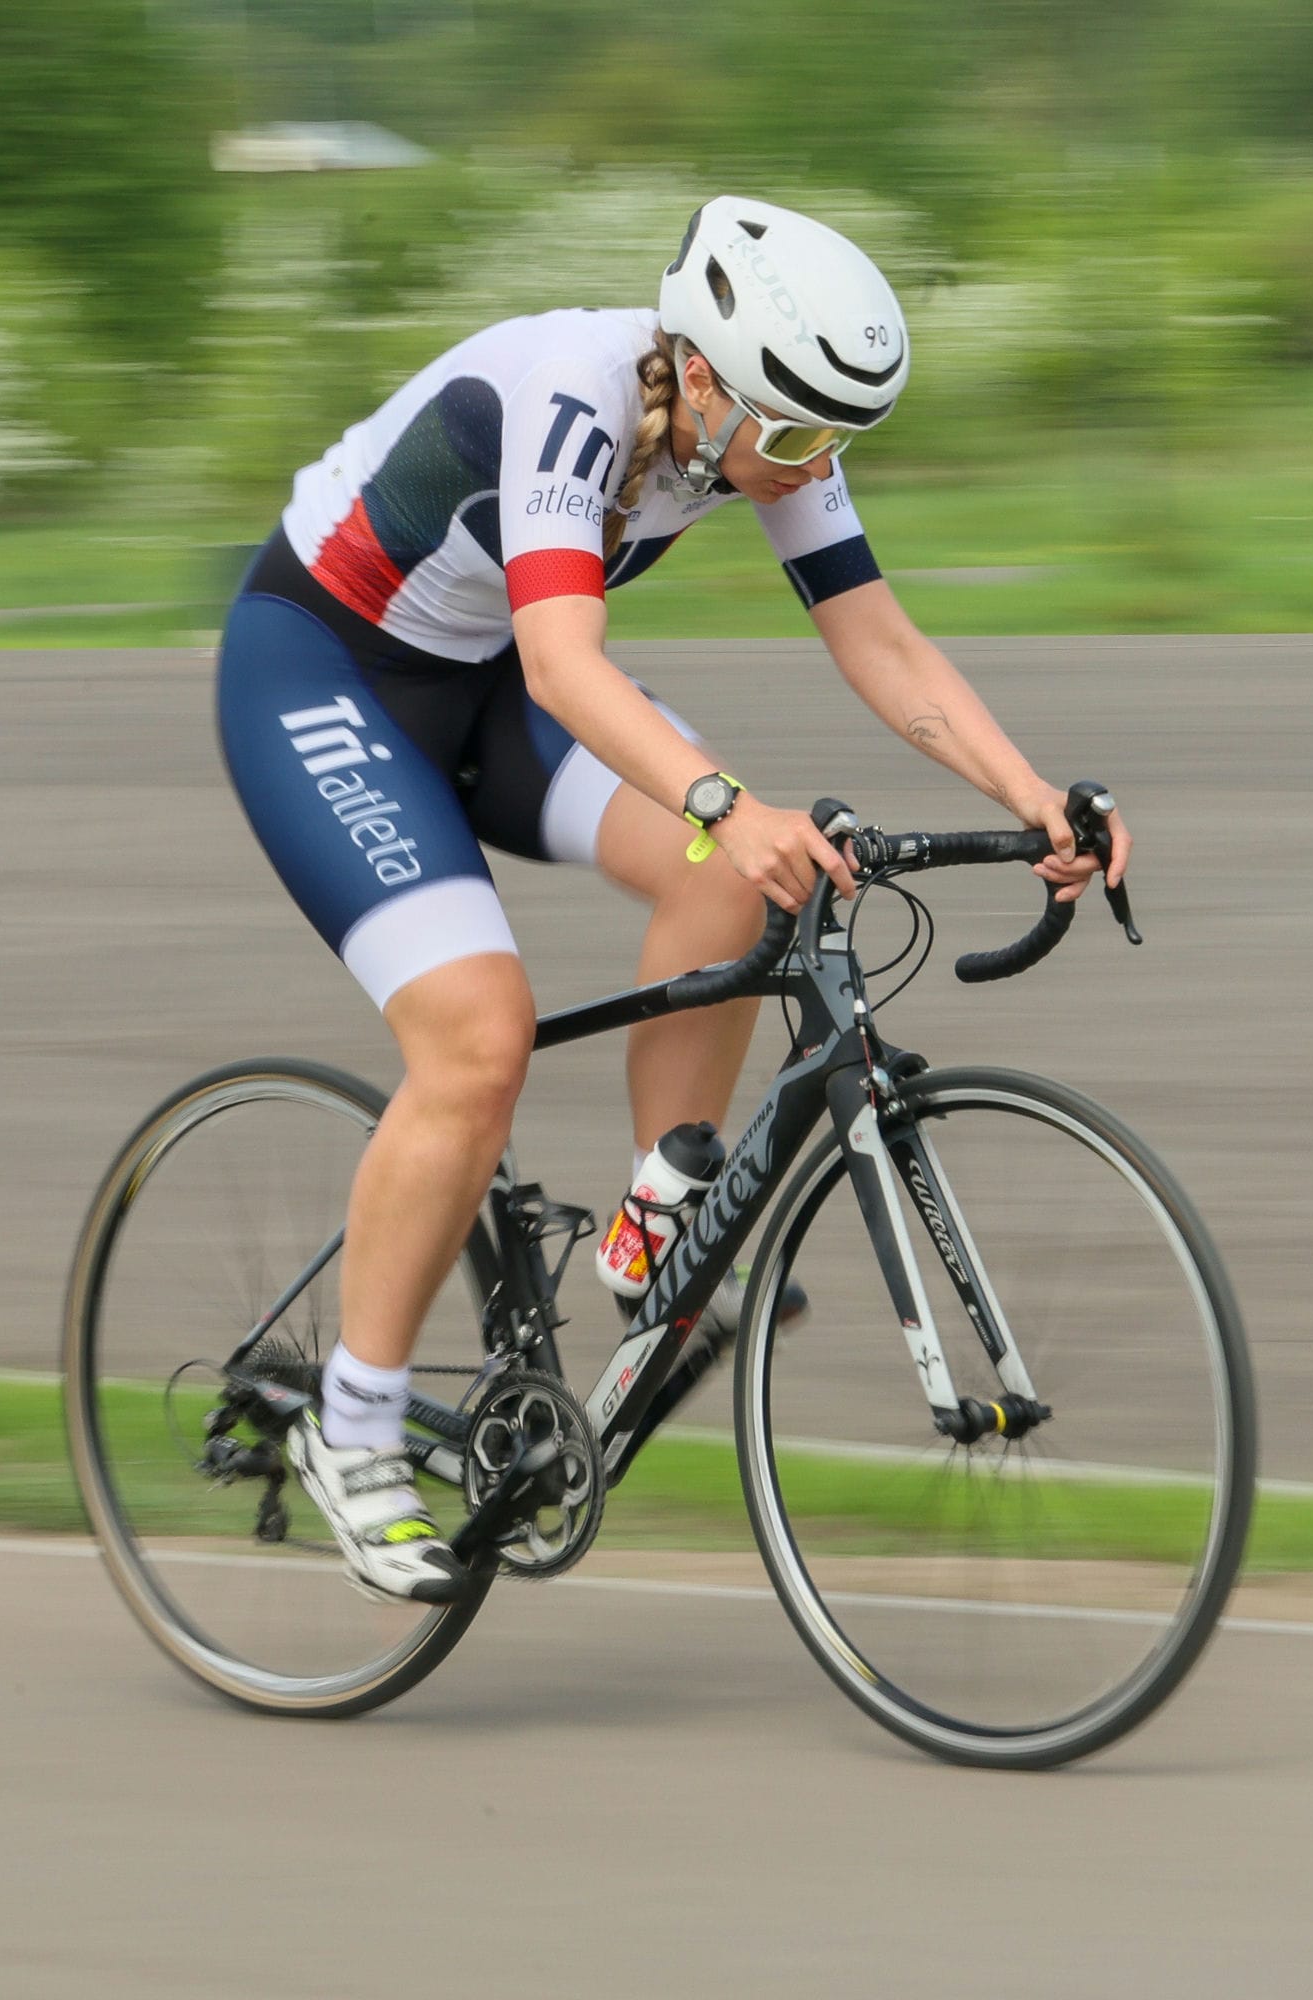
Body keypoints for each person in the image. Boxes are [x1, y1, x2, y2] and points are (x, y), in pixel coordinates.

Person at [214, 197, 1130, 1601]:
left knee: (750, 884)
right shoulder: (576, 392)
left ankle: (654, 1226)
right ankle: (354, 1428)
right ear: (699, 373)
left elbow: (878, 637)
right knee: (480, 1035)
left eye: (837, 444)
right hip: (326, 674)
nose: (811, 468)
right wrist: (720, 806)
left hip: (489, 687)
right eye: (795, 437)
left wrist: (1033, 798)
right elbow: (567, 662)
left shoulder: (756, 421)